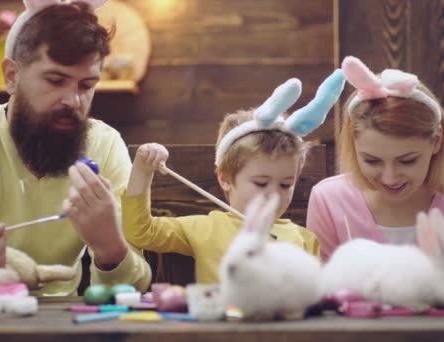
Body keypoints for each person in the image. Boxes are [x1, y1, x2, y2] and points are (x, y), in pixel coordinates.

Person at [0, 0, 151, 295]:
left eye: (86, 85)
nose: (73, 101)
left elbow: (133, 290)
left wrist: (111, 249)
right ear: (12, 77)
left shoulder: (104, 146)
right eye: (55, 80)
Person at [306, 56, 444, 293]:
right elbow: (324, 304)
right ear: (353, 147)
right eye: (372, 161)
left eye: (407, 160)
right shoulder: (328, 200)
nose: (390, 178)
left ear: (436, 141)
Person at [121, 70, 346, 283]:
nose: (274, 195)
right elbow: (141, 232)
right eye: (261, 183)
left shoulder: (304, 240)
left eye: (286, 184)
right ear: (225, 179)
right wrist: (142, 170)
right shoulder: (205, 228)